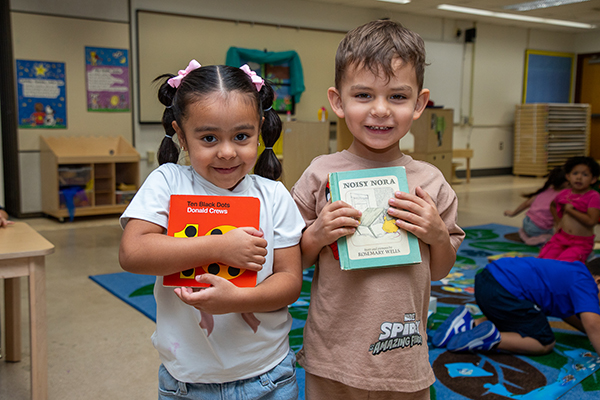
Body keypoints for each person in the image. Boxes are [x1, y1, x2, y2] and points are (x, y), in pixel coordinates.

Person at [290, 20, 465, 399]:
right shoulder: (319, 173)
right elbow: (290, 262)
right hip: (333, 353)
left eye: (398, 97)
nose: (381, 110)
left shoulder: (431, 182)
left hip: (403, 354)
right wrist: (316, 236)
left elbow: (441, 269)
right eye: (364, 95)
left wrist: (436, 233)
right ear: (338, 101)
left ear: (419, 103)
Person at [118, 60, 305, 399]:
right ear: (182, 136)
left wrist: (239, 299)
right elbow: (133, 253)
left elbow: (290, 282)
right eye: (208, 137)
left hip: (269, 376)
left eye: (242, 136)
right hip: (188, 381)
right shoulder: (168, 182)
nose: (227, 151)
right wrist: (219, 247)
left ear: (260, 128)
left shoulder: (273, 194)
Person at [432, 257, 600, 357]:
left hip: (487, 281)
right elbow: (593, 324)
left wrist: (586, 330)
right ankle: (490, 339)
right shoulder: (586, 283)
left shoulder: (574, 272)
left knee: (517, 318)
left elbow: (572, 316)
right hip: (507, 292)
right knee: (544, 342)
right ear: (598, 281)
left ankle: (467, 324)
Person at [538, 156, 600, 263]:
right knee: (544, 261)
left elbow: (592, 221)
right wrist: (558, 223)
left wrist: (571, 211)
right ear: (568, 176)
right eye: (575, 174)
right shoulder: (564, 193)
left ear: (593, 179)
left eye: (585, 175)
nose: (579, 178)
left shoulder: (593, 196)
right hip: (560, 238)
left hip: (581, 242)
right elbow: (553, 205)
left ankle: (587, 257)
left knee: (564, 265)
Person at [503, 166, 567, 245]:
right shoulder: (562, 197)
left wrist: (512, 213)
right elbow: (559, 220)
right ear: (566, 183)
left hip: (527, 222)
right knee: (553, 236)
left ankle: (525, 234)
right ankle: (538, 239)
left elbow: (526, 204)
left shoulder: (544, 190)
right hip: (538, 229)